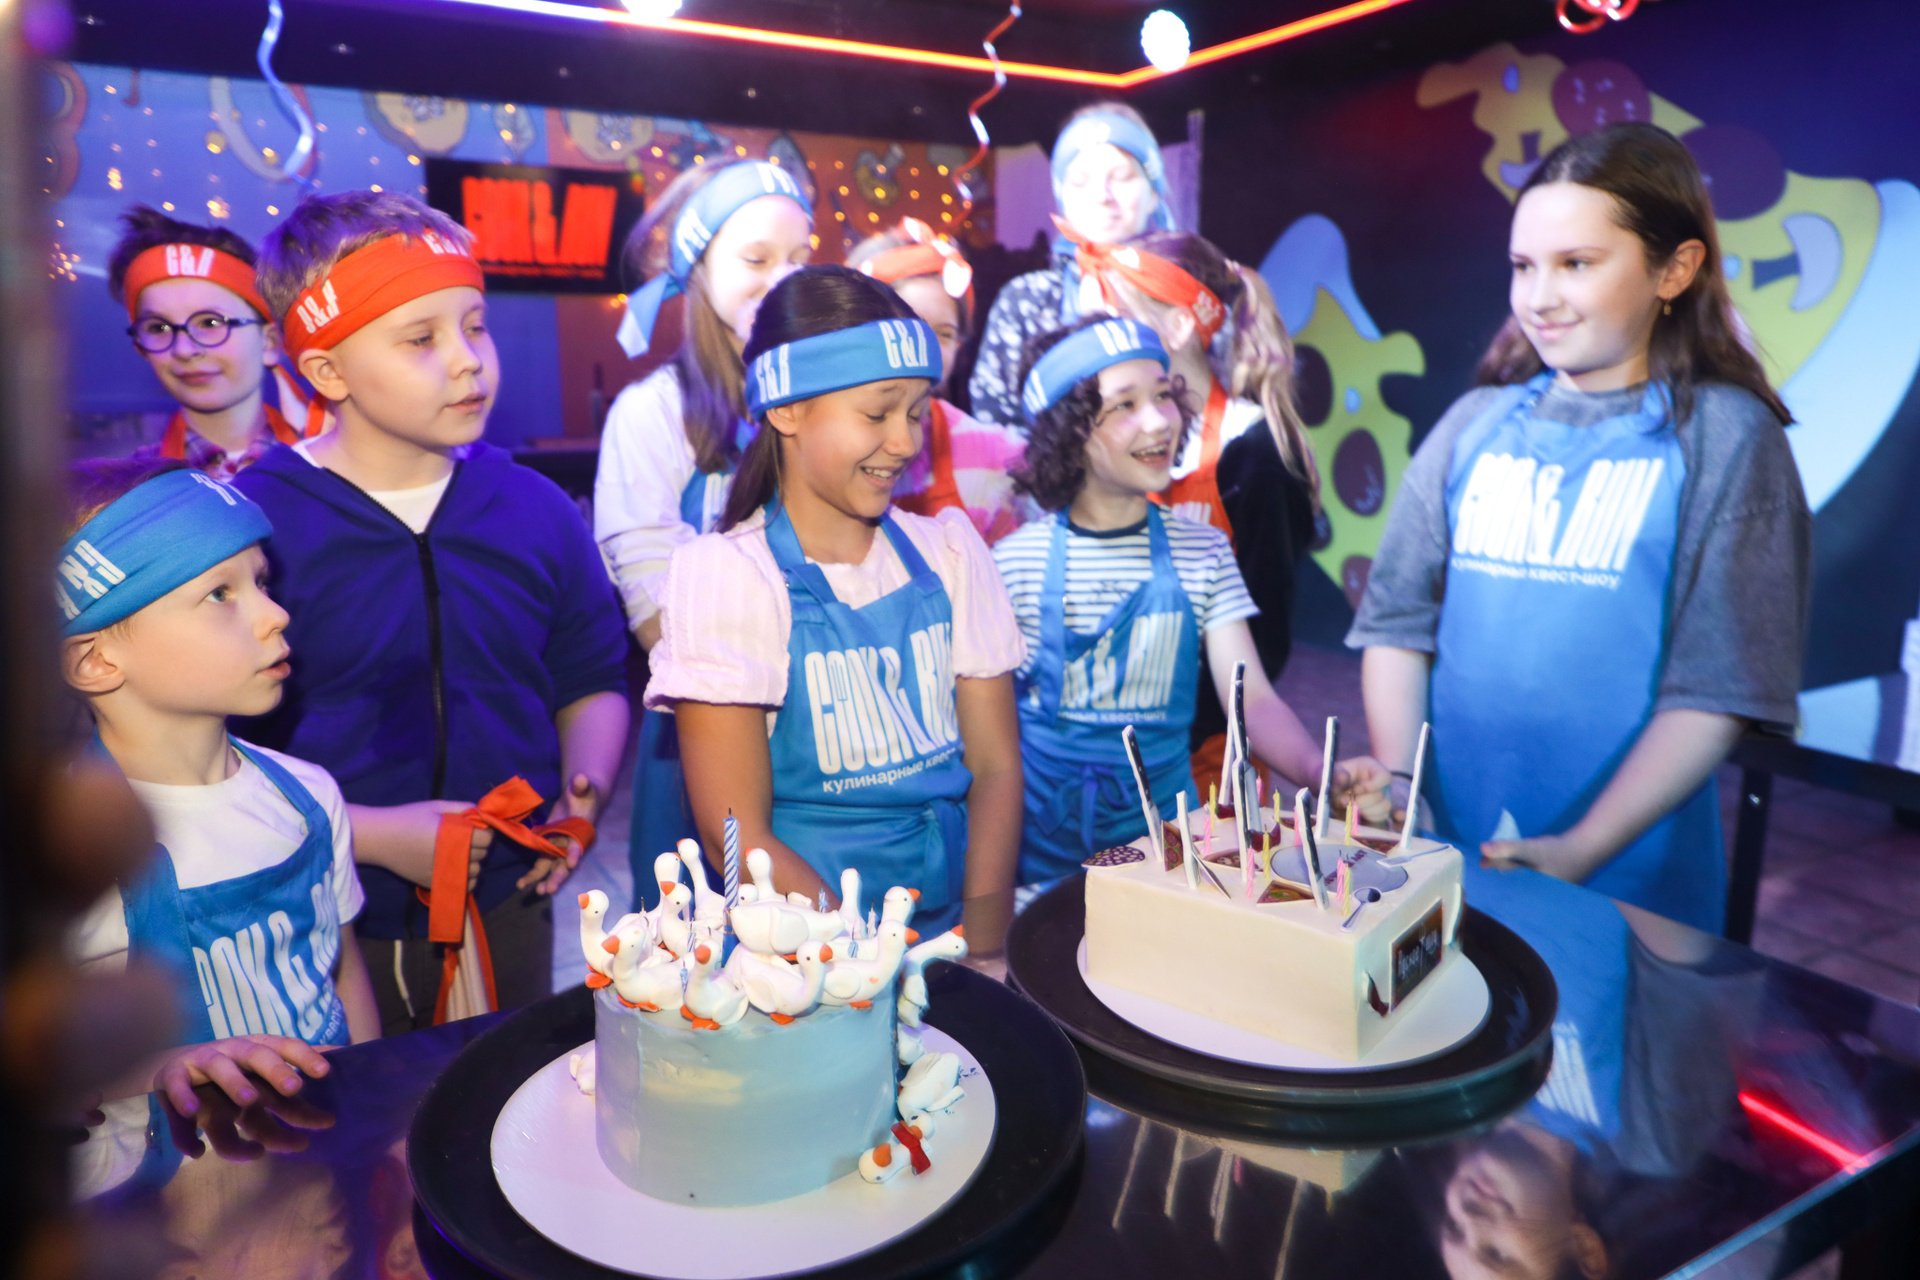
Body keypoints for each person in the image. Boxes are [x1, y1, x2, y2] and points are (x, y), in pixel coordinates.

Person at [1350, 122, 1811, 933]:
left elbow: (1720, 686)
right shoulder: (1473, 422)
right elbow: (1396, 624)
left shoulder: (1728, 437)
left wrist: (1583, 847)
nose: (1539, 297)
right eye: (1524, 266)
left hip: (1631, 886)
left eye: (1577, 264)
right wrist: (1397, 784)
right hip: (1442, 860)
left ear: (1675, 268)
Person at [233, 191, 631, 1033]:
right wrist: (373, 834)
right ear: (328, 371)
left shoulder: (535, 507)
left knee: (504, 1083)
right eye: (421, 339)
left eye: (475, 327)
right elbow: (216, 752)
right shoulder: (256, 526)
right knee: (360, 1101)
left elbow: (590, 672)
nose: (467, 361)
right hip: (328, 907)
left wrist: (583, 800)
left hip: (511, 890)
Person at [646, 265, 1025, 933]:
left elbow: (994, 768)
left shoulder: (951, 555)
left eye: (916, 412)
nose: (905, 442)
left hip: (953, 938)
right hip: (807, 954)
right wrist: (862, 960)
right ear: (786, 409)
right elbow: (733, 840)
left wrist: (985, 946)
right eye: (877, 413)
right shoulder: (731, 579)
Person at [57, 457, 377, 1190]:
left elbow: (342, 969)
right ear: (97, 659)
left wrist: (371, 1118)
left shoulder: (307, 795)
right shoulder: (68, 849)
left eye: (261, 581)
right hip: (151, 1211)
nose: (274, 614)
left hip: (318, 1179)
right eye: (220, 594)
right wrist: (165, 1067)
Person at [993, 316, 1387, 882]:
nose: (1159, 420)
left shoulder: (1203, 551)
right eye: (1124, 405)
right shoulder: (1011, 563)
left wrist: (1316, 773)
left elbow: (1251, 700)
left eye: (1162, 395)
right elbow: (990, 744)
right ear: (1067, 432)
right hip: (1043, 861)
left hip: (1168, 856)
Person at [592, 159, 813, 908]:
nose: (783, 278)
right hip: (703, 738)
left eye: (800, 257)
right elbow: (655, 618)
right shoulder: (653, 415)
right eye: (757, 259)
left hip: (829, 726)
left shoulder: (827, 406)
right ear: (700, 270)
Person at [1073, 227, 1325, 794]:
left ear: (1180, 325)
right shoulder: (1097, 444)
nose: (1099, 342)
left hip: (1207, 770)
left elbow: (1260, 651)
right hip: (1097, 769)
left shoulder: (1255, 454)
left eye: (1115, 319)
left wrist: (1158, 734)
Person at [968, 102, 1176, 429]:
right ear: (1062, 196)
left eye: (1122, 176)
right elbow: (995, 427)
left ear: (1153, 194)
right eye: (1080, 180)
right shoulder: (1026, 301)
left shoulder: (1185, 293)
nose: (1102, 195)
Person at [849, 218, 1033, 543]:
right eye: (908, 327)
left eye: (944, 334)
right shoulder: (813, 447)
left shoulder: (996, 458)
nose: (926, 349)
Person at [105, 205, 319, 477]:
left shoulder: (331, 469)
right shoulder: (128, 486)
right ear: (140, 347)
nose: (184, 349)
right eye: (159, 328)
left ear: (269, 342)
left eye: (211, 323)